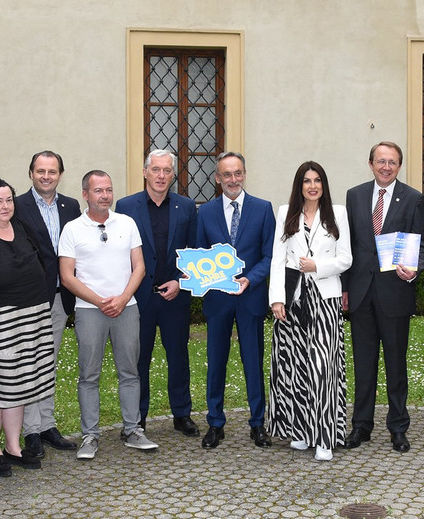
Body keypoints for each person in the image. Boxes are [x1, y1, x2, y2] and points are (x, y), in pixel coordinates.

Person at [59, 170, 157, 460]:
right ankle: (90, 435)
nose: (105, 196)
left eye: (109, 190)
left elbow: (139, 266)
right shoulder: (72, 229)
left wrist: (123, 298)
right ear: (85, 195)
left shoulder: (126, 223)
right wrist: (101, 301)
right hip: (90, 311)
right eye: (98, 191)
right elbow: (67, 276)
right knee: (89, 375)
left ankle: (132, 430)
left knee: (130, 371)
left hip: (127, 308)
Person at [342, 141, 424, 453]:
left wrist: (414, 269)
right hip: (361, 294)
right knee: (363, 366)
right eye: (381, 161)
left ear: (399, 166)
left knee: (396, 365)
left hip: (395, 293)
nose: (386, 167)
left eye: (392, 162)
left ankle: (398, 428)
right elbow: (347, 246)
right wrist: (344, 289)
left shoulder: (413, 198)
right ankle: (361, 426)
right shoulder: (354, 195)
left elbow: (422, 246)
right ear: (371, 164)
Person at [267, 161, 352, 461]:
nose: (312, 186)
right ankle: (301, 430)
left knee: (323, 367)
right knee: (296, 367)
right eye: (307, 181)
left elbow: (346, 259)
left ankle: (325, 437)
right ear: (299, 185)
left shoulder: (338, 213)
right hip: (293, 299)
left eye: (317, 180)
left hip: (325, 299)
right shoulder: (284, 213)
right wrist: (277, 298)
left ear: (324, 185)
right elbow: (278, 258)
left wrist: (319, 266)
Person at [0, 179, 56, 476]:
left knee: (20, 384)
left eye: (9, 200)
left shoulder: (20, 225)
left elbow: (42, 260)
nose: (6, 206)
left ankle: (13, 446)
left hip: (32, 316)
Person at [195, 151, 276, 449]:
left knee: (253, 363)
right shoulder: (204, 213)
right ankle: (215, 423)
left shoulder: (263, 209)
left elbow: (269, 256)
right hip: (217, 299)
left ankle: (258, 424)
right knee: (216, 362)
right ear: (218, 178)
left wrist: (249, 279)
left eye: (237, 173)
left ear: (244, 174)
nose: (232, 179)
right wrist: (209, 278)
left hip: (250, 298)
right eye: (226, 174)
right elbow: (200, 255)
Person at [116, 149, 199, 436]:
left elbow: (193, 251)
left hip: (175, 295)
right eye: (156, 170)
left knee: (178, 356)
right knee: (138, 358)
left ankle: (181, 413)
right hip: (139, 297)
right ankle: (137, 418)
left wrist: (180, 281)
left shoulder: (186, 207)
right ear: (145, 172)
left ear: (173, 174)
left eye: (166, 170)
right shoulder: (126, 207)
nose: (161, 176)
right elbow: (120, 252)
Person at [13, 150, 79, 456]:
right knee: (29, 363)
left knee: (49, 362)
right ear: (31, 173)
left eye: (52, 172)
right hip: (28, 299)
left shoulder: (71, 206)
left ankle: (48, 424)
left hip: (59, 298)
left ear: (60, 175)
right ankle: (31, 431)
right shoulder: (16, 206)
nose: (46, 176)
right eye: (40, 171)